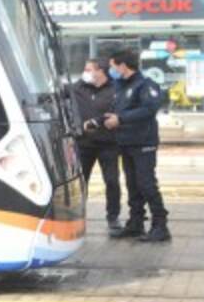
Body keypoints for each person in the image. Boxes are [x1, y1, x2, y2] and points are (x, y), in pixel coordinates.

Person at [103, 49, 170, 242]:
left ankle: (160, 225)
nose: (111, 70)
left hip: (144, 143)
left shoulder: (146, 85)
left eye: (113, 66)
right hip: (125, 142)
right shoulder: (119, 86)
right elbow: (117, 110)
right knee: (132, 185)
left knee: (146, 184)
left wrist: (121, 119)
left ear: (123, 65)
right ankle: (136, 223)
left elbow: (149, 109)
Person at [71, 58, 123, 232]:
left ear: (100, 71)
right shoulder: (78, 87)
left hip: (108, 144)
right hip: (83, 144)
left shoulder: (115, 88)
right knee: (81, 183)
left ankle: (113, 218)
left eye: (88, 69)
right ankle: (77, 219)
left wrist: (97, 122)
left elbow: (117, 113)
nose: (85, 73)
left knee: (112, 181)